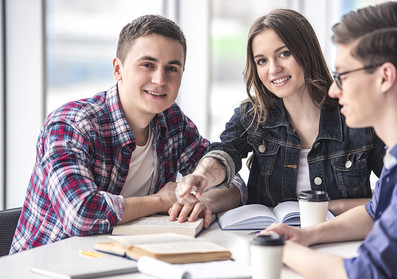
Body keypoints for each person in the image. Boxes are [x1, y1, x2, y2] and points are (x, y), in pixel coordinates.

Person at [10, 14, 246, 254]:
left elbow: (234, 183)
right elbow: (80, 213)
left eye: (172, 68)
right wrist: (162, 200)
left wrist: (203, 202)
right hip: (44, 269)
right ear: (118, 69)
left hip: (122, 262)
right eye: (148, 65)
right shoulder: (72, 124)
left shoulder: (172, 121)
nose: (160, 80)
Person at [262, 2, 397, 279]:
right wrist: (306, 234)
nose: (334, 91)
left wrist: (279, 250)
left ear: (385, 77)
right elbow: (375, 214)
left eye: (343, 76)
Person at [174, 8, 384, 218]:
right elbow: (224, 154)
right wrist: (201, 175)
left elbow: (396, 193)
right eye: (262, 61)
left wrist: (325, 208)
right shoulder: (252, 116)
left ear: (306, 52)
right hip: (266, 240)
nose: (273, 69)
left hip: (345, 240)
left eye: (284, 54)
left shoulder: (356, 117)